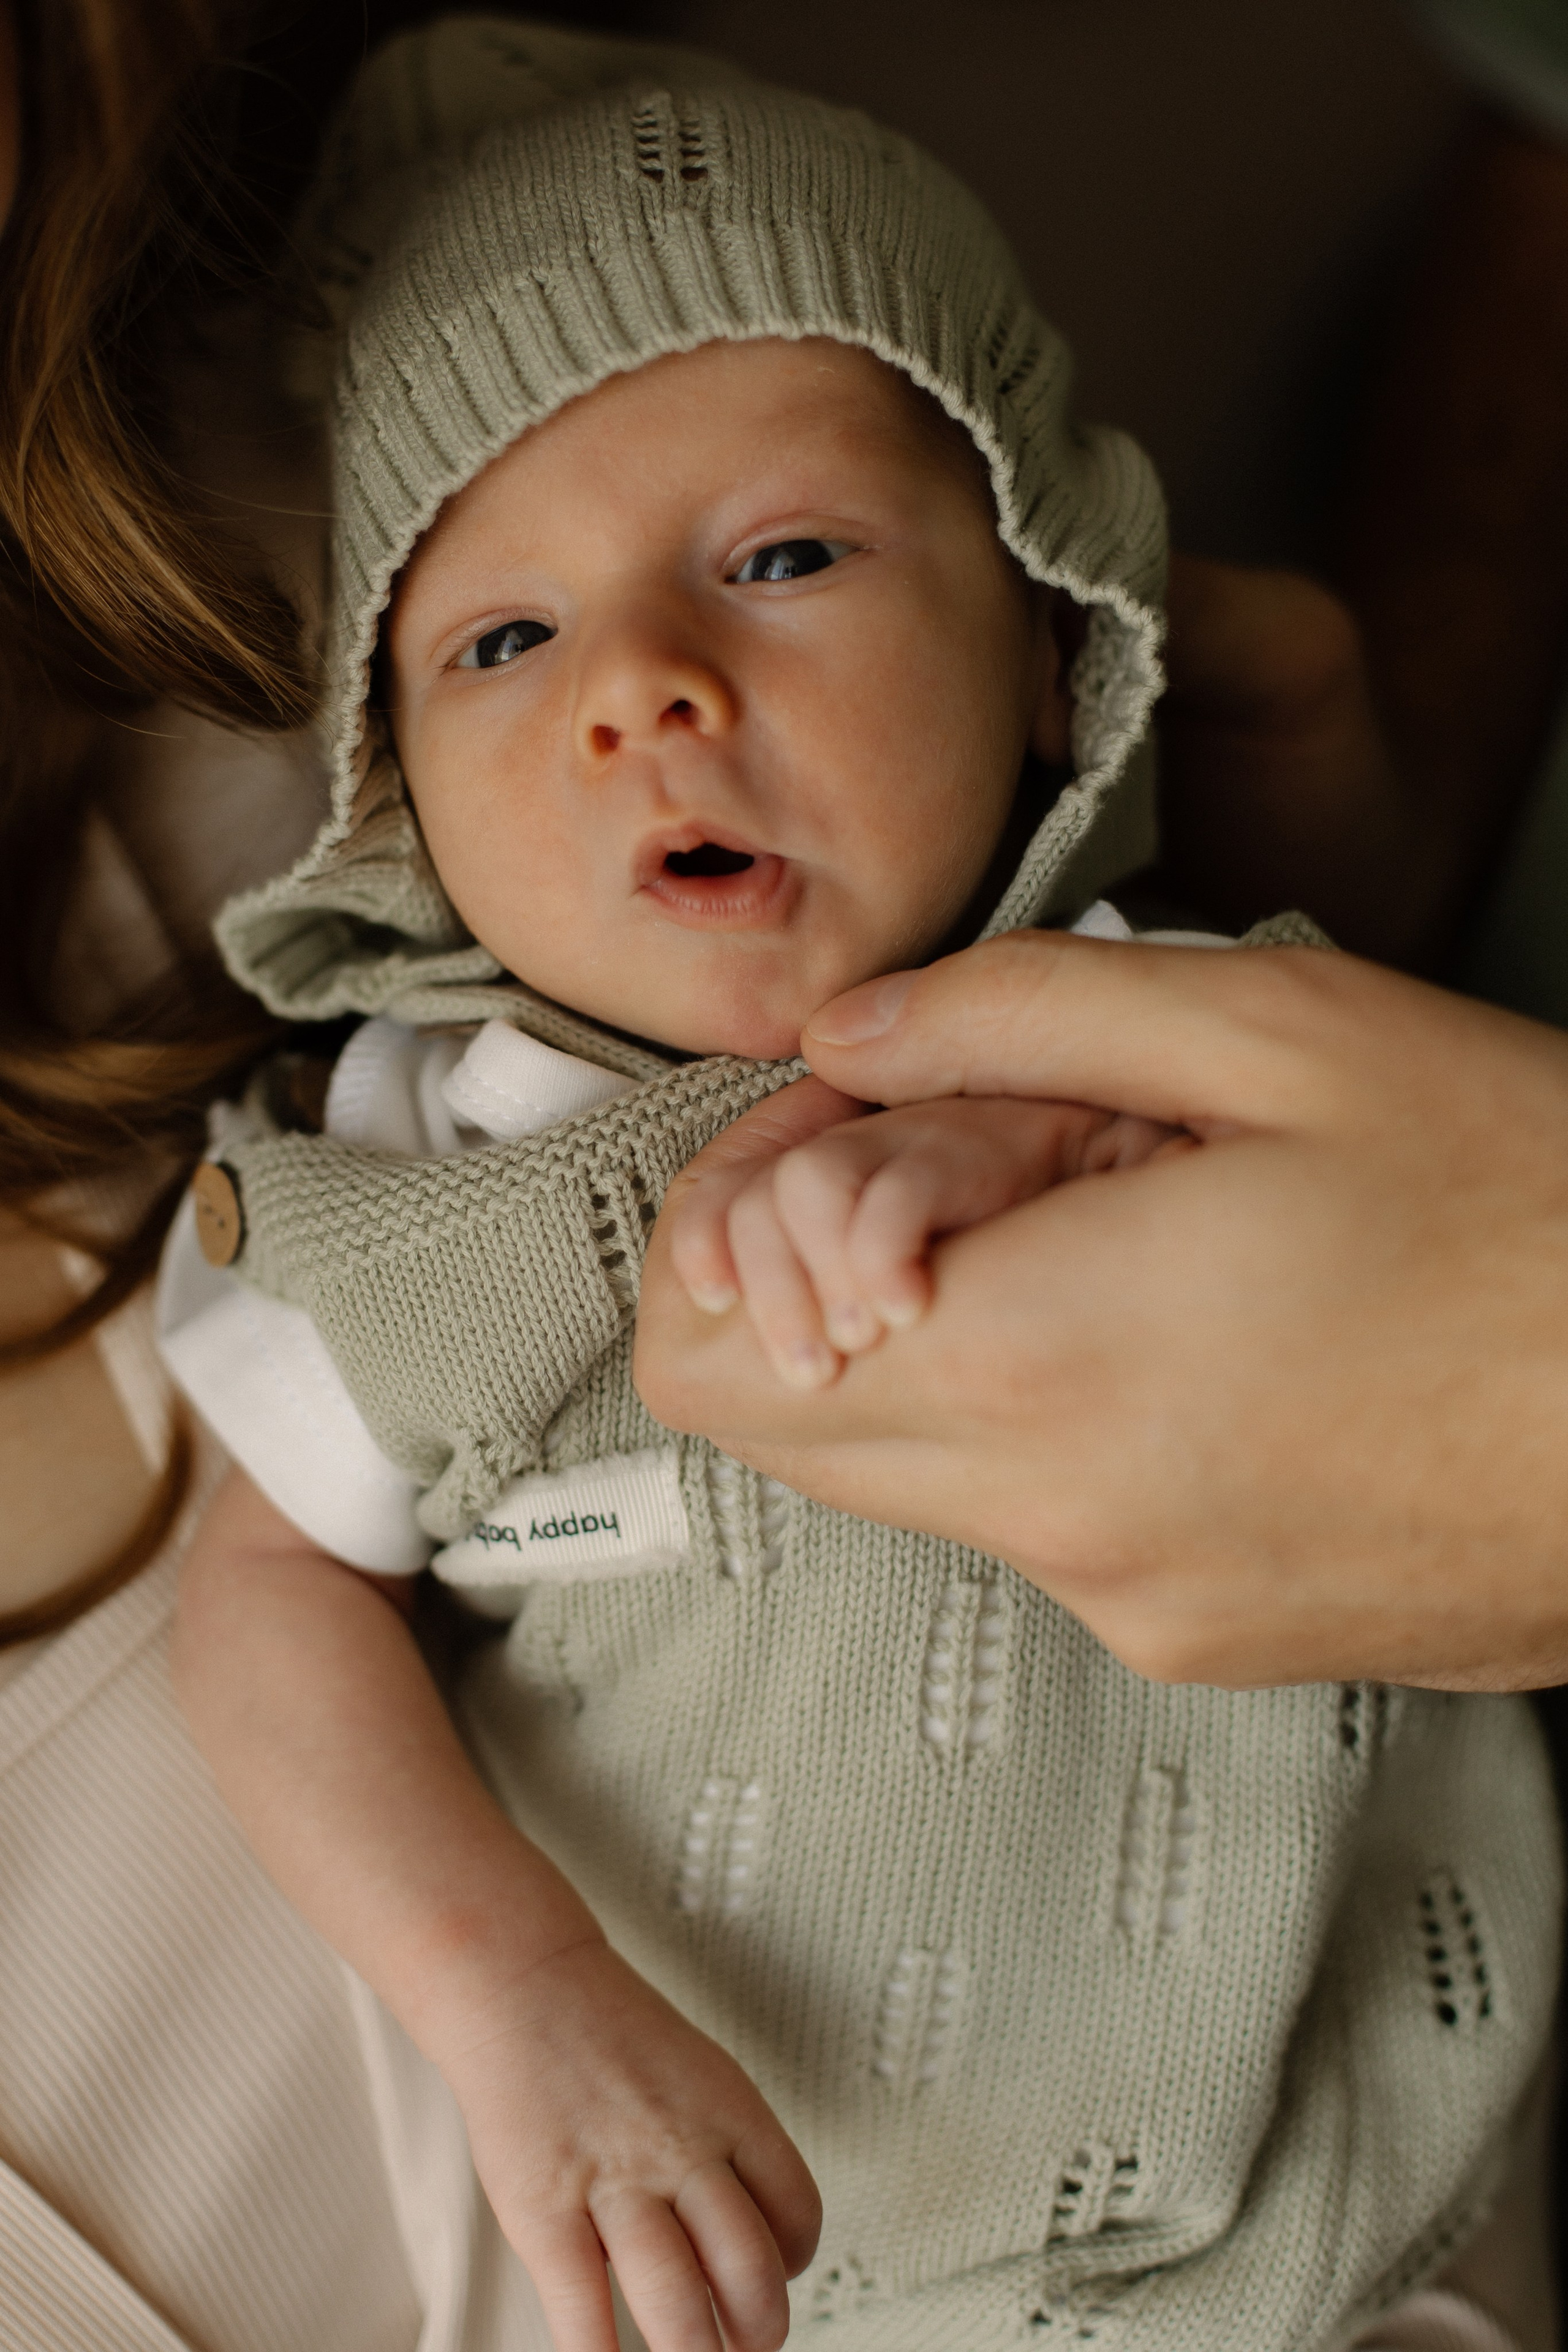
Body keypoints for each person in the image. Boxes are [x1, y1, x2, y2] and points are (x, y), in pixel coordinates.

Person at [157, 20, 1559, 2351]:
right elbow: (265, 1605)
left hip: (1382, 2175)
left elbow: (1396, 1248)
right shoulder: (426, 1162)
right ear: (395, 794)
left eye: (784, 554)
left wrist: (1014, 1128)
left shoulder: (1195, 1013)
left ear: (1045, 646)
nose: (647, 691)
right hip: (803, 2225)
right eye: (501, 640)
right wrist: (516, 1999)